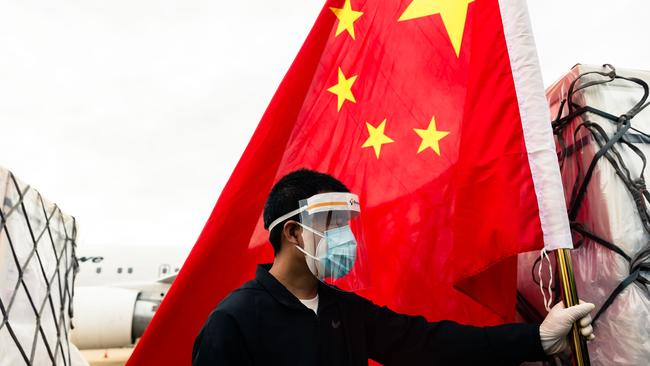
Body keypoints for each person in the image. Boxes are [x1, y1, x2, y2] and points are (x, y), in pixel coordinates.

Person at [192, 168, 595, 365]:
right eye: (334, 224)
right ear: (295, 233)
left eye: (348, 225)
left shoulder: (343, 311)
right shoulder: (234, 322)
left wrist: (537, 338)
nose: (346, 237)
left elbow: (432, 343)